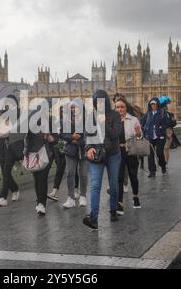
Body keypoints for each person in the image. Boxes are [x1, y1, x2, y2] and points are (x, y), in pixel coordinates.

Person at [83, 90, 122, 230]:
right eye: (96, 102)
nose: (99, 105)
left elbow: (115, 134)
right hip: (97, 155)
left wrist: (104, 123)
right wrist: (88, 148)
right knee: (95, 186)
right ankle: (93, 218)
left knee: (114, 184)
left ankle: (113, 210)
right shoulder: (90, 116)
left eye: (101, 102)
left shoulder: (115, 115)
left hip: (113, 154)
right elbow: (86, 135)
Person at [23, 109, 58, 216]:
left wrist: (50, 137)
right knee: (37, 178)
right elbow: (26, 139)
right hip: (33, 155)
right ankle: (39, 201)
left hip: (46, 154)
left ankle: (41, 204)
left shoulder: (51, 122)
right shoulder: (30, 124)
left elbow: (56, 138)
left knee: (42, 178)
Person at [0, 95, 25, 207]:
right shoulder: (3, 115)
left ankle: (4, 197)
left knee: (6, 171)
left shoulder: (21, 115)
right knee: (5, 171)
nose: (8, 106)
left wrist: (8, 133)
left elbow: (21, 130)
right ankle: (12, 191)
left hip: (17, 147)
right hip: (5, 147)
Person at [115, 98, 143, 213]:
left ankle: (135, 196)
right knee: (119, 178)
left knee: (133, 175)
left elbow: (140, 137)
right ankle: (120, 203)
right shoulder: (112, 120)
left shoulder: (133, 119)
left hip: (131, 150)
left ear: (126, 108)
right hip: (117, 152)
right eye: (117, 107)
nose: (120, 109)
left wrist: (138, 133)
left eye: (122, 107)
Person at [61, 102, 88, 208]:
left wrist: (80, 140)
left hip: (83, 149)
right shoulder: (65, 120)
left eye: (75, 107)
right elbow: (62, 134)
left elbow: (90, 134)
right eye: (71, 108)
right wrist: (72, 137)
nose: (73, 109)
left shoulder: (87, 121)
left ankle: (83, 196)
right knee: (70, 173)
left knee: (83, 174)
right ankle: (70, 198)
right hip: (70, 151)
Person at [142, 98, 170, 178]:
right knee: (150, 154)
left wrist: (162, 128)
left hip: (160, 136)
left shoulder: (162, 113)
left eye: (154, 104)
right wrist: (144, 130)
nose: (153, 105)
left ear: (157, 104)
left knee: (159, 152)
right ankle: (152, 171)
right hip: (150, 136)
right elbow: (142, 123)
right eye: (151, 104)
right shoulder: (148, 114)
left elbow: (167, 123)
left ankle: (163, 165)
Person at [160, 97, 178, 164]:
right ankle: (163, 162)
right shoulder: (160, 115)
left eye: (166, 107)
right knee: (161, 149)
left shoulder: (170, 114)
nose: (165, 108)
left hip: (169, 133)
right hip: (161, 133)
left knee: (166, 148)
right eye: (164, 107)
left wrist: (172, 122)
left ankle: (165, 162)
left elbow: (174, 123)